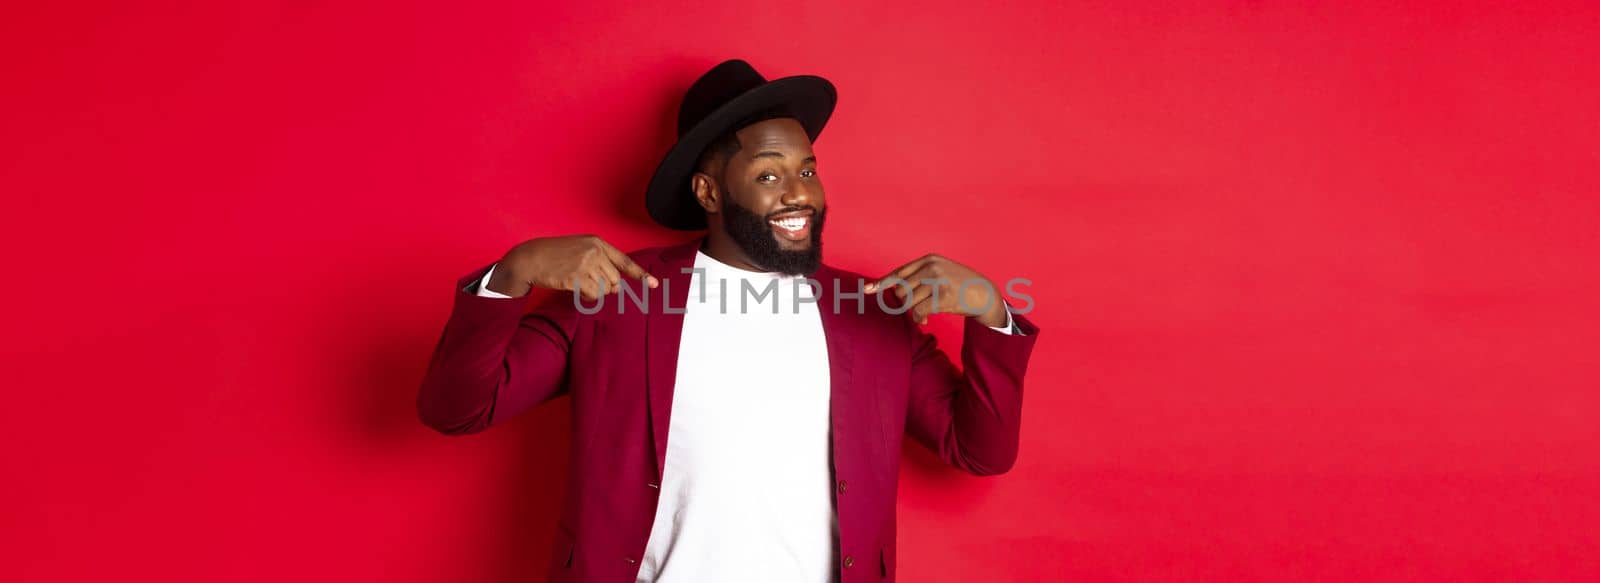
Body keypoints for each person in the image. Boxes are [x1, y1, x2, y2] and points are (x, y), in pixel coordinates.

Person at [417, 59, 1039, 583]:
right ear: (709, 194)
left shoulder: (870, 311)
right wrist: (513, 273)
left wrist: (991, 312)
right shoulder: (619, 294)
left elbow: (978, 451)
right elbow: (459, 408)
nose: (799, 192)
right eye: (769, 174)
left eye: (807, 170)